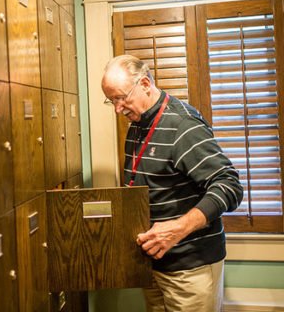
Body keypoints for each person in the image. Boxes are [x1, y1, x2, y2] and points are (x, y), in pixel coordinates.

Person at [101, 55, 243, 312]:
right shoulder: (137, 123)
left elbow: (229, 185)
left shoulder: (183, 125)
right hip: (154, 265)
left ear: (145, 84)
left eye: (121, 98)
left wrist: (178, 228)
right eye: (111, 100)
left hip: (191, 269)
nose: (117, 109)